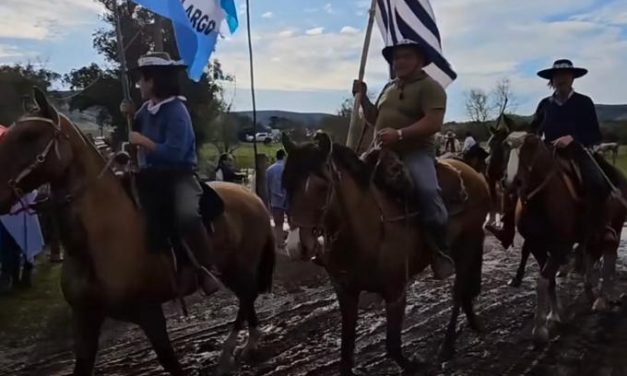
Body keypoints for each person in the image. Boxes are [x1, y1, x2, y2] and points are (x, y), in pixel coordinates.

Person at [352, 39, 455, 280]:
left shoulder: (430, 87)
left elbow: (433, 122)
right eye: (396, 58)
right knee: (349, 184)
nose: (399, 62)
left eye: (406, 56)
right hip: (380, 151)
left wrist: (399, 134)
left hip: (415, 152)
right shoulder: (389, 87)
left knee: (428, 191)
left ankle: (440, 249)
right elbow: (374, 119)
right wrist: (364, 98)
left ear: (420, 60)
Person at [121, 51, 220, 295]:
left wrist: (143, 141)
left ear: (153, 81)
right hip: (149, 176)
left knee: (186, 215)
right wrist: (130, 116)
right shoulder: (146, 109)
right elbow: (136, 135)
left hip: (178, 176)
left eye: (142, 80)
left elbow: (174, 152)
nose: (139, 85)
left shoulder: (177, 111)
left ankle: (207, 267)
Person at [489, 59, 611, 248]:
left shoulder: (584, 102)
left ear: (572, 78)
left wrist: (572, 138)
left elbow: (594, 133)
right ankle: (507, 228)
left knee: (597, 183)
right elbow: (535, 129)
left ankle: (600, 229)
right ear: (552, 80)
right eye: (557, 76)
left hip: (578, 152)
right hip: (547, 153)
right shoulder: (545, 104)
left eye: (565, 76)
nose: (561, 79)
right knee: (516, 179)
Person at [266, 149, 289, 248]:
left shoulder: (269, 170)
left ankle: (279, 242)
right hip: (288, 199)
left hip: (275, 200)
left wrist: (269, 199)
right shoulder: (287, 168)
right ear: (284, 156)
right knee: (292, 222)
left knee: (278, 223)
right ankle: (290, 242)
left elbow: (267, 186)